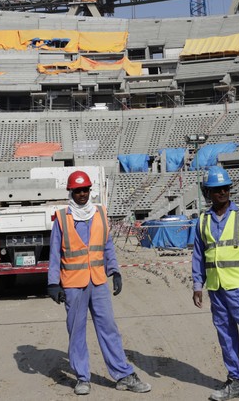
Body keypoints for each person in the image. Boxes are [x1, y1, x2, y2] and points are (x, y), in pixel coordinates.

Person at [47, 170, 151, 396]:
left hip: (98, 282)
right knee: (76, 331)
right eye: (78, 191)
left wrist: (115, 271)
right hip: (73, 285)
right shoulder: (62, 218)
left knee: (109, 329)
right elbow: (55, 254)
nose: (82, 194)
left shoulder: (100, 214)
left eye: (85, 190)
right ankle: (82, 377)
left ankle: (123, 375)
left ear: (90, 191)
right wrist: (53, 283)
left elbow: (107, 247)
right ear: (71, 192)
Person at [192, 166, 239, 401]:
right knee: (226, 338)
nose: (222, 192)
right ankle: (235, 382)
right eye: (217, 190)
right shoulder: (202, 221)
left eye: (225, 188)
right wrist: (198, 285)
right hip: (217, 290)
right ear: (209, 193)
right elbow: (198, 255)